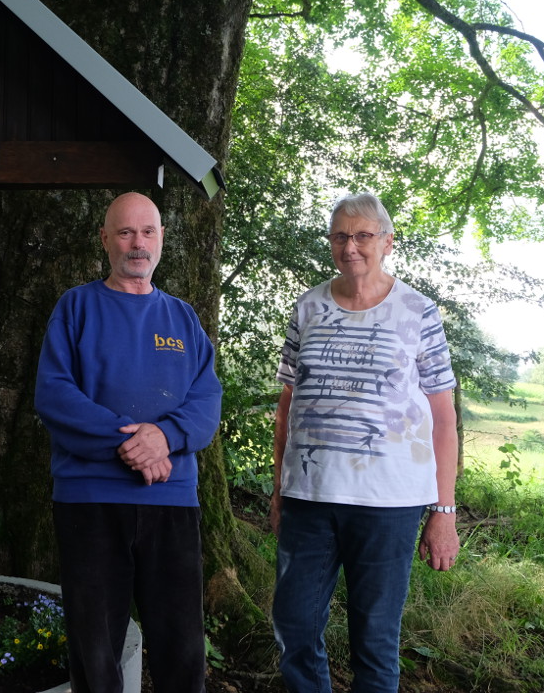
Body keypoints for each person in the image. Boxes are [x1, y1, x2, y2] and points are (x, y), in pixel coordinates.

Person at [269, 192, 460, 693]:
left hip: (388, 503)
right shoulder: (308, 307)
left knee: (375, 641)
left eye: (362, 236)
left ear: (387, 242)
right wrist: (277, 491)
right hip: (308, 499)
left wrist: (444, 511)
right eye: (339, 236)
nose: (350, 246)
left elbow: (443, 417)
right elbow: (287, 407)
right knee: (294, 626)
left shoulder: (417, 310)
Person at [35, 192, 223, 693]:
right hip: (89, 501)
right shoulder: (76, 307)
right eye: (125, 232)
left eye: (148, 232)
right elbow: (54, 395)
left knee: (182, 650)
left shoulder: (183, 318)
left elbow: (207, 401)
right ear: (105, 239)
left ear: (162, 238)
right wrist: (132, 444)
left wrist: (164, 436)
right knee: (94, 654)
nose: (137, 244)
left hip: (172, 501)